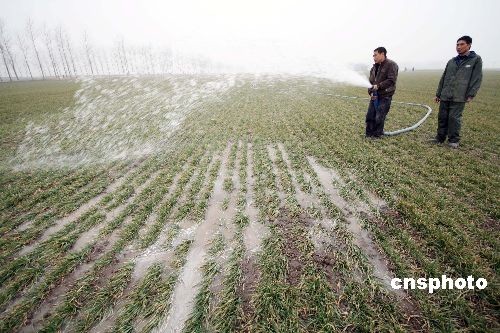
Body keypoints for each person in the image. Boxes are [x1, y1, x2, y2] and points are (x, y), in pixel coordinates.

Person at [434, 36, 483, 148]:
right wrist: (438, 93)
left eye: (461, 44)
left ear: (469, 45)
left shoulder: (475, 60)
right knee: (442, 117)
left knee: (454, 118)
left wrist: (471, 94)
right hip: (446, 94)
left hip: (459, 95)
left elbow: (476, 78)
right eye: (457, 44)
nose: (458, 47)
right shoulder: (452, 61)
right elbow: (444, 77)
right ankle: (440, 138)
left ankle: (453, 140)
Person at [366, 47, 399, 138]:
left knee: (379, 117)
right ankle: (369, 134)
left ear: (382, 54)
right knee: (370, 116)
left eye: (375, 55)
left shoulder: (391, 65)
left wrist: (379, 86)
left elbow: (391, 80)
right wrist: (371, 92)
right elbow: (370, 82)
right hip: (375, 96)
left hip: (385, 96)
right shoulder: (373, 68)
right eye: (373, 55)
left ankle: (377, 135)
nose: (374, 57)